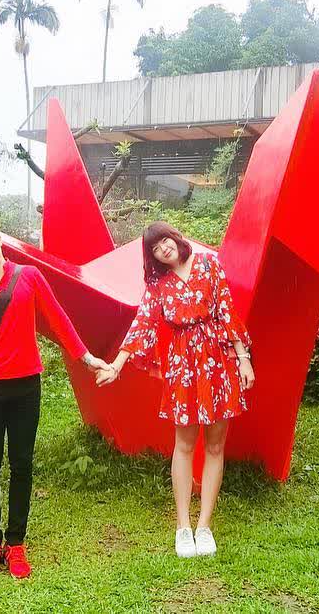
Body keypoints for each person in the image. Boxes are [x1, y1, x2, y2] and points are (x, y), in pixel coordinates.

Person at [0, 218, 109, 580]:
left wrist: (86, 358)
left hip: (26, 388)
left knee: (22, 464)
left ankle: (17, 543)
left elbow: (58, 319)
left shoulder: (29, 276)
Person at [96, 221, 255, 558]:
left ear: (175, 238)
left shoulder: (208, 265)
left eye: (164, 240)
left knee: (215, 446)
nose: (162, 248)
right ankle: (183, 527)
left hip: (218, 362)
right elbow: (142, 324)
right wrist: (117, 365)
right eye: (154, 247)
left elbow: (227, 311)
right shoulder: (158, 285)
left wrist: (243, 359)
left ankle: (205, 526)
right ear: (152, 256)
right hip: (183, 366)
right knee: (183, 445)